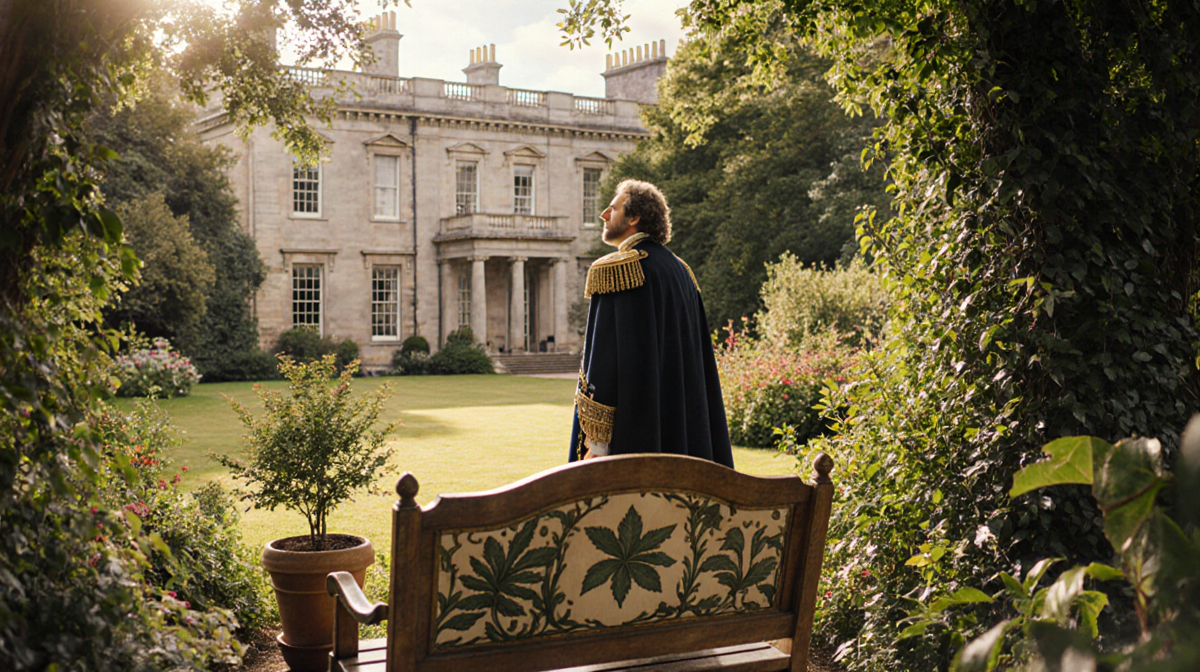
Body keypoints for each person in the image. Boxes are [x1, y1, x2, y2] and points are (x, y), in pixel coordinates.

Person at [569, 179, 734, 468]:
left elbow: (603, 368)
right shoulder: (683, 272)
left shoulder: (615, 269)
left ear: (634, 218)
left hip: (631, 442)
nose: (604, 215)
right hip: (683, 439)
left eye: (613, 208)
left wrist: (596, 444)